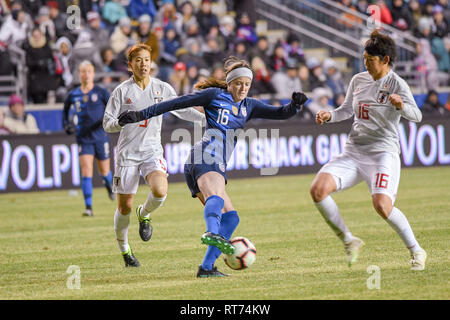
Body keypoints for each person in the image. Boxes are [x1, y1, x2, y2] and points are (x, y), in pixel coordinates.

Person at [117, 56, 308, 277]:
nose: (243, 88)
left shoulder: (250, 106)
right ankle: (211, 232)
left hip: (206, 162)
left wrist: (295, 105)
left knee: (231, 217)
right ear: (229, 83)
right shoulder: (215, 95)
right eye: (238, 83)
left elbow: (280, 113)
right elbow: (175, 103)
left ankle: (206, 268)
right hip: (205, 156)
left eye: (247, 84)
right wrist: (141, 114)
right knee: (217, 197)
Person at [311, 30, 427, 271]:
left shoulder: (397, 84)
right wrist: (329, 115)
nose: (365, 64)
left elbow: (417, 115)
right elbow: (346, 110)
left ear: (385, 60)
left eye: (370, 60)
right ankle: (349, 240)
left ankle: (416, 250)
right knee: (318, 190)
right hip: (354, 151)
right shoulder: (358, 80)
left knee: (382, 205)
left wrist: (401, 105)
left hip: (383, 152)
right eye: (364, 59)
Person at [102, 43, 205, 268]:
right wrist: (120, 121)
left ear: (151, 63)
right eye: (138, 60)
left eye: (146, 60)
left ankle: (144, 213)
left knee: (160, 191)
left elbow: (182, 109)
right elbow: (107, 124)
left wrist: (205, 119)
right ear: (130, 65)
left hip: (151, 151)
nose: (143, 64)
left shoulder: (162, 88)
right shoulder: (121, 91)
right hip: (127, 155)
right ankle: (126, 251)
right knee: (124, 208)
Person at [63, 60, 114, 217]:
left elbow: (113, 107)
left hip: (100, 136)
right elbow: (65, 111)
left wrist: (105, 120)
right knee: (86, 171)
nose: (86, 74)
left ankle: (109, 186)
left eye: (89, 71)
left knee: (104, 171)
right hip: (83, 137)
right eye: (83, 71)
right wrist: (67, 125)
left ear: (93, 73)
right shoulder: (73, 94)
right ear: (79, 74)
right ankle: (88, 207)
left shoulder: (101, 92)